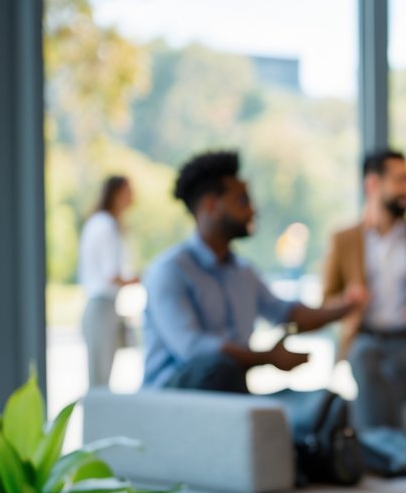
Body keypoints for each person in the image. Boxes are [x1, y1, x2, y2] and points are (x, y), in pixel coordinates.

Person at [142, 150, 364, 393]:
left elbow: (287, 313)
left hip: (230, 396)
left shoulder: (243, 272)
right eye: (242, 200)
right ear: (211, 205)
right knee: (219, 369)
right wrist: (269, 357)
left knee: (328, 404)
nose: (253, 210)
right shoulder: (170, 270)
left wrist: (346, 308)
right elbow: (194, 348)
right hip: (173, 398)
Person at [321, 149, 406, 429]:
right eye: (399, 180)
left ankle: (373, 444)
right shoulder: (344, 240)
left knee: (386, 374)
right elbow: (326, 301)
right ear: (373, 184)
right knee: (365, 359)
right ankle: (393, 444)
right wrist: (347, 302)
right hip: (366, 337)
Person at [78, 175, 138, 388]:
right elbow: (112, 275)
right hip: (101, 307)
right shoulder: (105, 225)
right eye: (128, 191)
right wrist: (142, 279)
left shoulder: (103, 223)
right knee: (99, 381)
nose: (133, 197)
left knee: (101, 378)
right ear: (117, 194)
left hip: (105, 307)